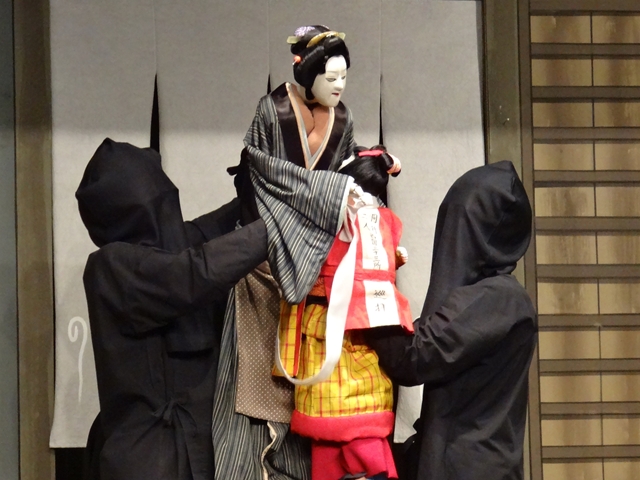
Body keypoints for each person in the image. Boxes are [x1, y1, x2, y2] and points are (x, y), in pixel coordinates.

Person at [212, 25, 358, 480]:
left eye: (344, 77)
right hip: (262, 267)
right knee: (249, 396)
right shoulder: (271, 110)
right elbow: (259, 172)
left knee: (311, 400)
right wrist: (328, 194)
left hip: (317, 271)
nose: (339, 85)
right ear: (308, 72)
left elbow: (349, 178)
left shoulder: (344, 120)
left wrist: (366, 174)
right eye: (331, 77)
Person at [76, 138, 268, 480]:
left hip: (193, 449)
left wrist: (258, 178)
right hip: (150, 459)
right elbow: (198, 272)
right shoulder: (110, 268)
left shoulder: (172, 249)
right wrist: (286, 224)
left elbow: (218, 224)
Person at [366, 161, 537, 480]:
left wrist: (367, 274)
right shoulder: (495, 298)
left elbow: (410, 356)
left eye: (458, 224)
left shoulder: (498, 299)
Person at [274, 146, 412, 480]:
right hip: (350, 333)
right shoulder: (372, 223)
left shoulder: (333, 224)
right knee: (357, 441)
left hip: (335, 334)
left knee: (342, 445)